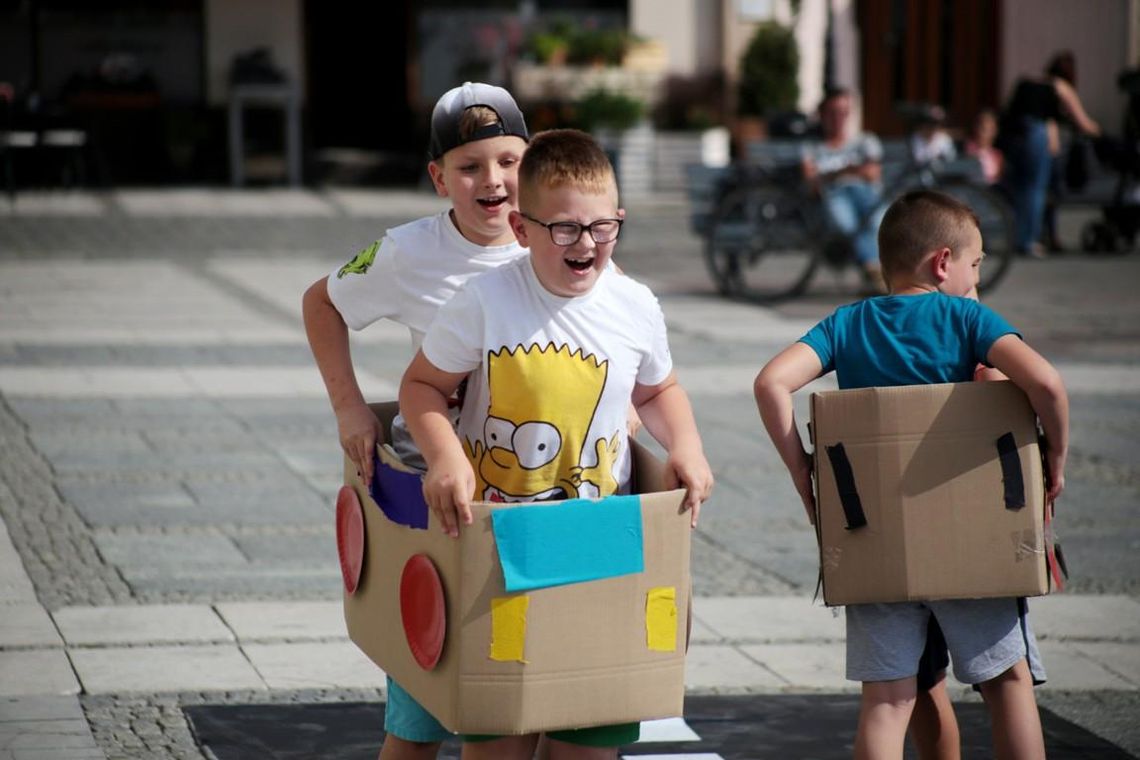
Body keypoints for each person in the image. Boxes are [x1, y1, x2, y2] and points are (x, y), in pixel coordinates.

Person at [399, 128, 714, 759]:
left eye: (603, 228)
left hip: (600, 549)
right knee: (500, 740)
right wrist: (445, 458)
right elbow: (422, 388)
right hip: (499, 554)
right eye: (565, 229)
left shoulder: (634, 304)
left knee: (588, 739)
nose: (587, 245)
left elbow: (658, 388)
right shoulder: (485, 300)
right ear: (521, 228)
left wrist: (687, 445)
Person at [753, 189, 1067, 760]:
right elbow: (1046, 384)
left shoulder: (846, 324)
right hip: (974, 543)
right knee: (1007, 683)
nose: (975, 280)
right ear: (943, 262)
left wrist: (805, 473)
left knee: (888, 702)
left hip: (877, 544)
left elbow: (770, 382)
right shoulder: (967, 317)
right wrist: (1057, 465)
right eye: (974, 266)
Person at [302, 81, 530, 760]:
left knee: (519, 708)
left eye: (509, 160)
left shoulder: (558, 238)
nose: (492, 181)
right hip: (437, 505)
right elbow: (322, 303)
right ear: (439, 178)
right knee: (419, 711)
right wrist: (348, 405)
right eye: (469, 166)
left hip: (533, 496)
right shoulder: (407, 252)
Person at [999, 50, 1101, 257]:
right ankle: (1029, 240)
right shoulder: (1059, 86)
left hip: (1014, 136)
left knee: (1020, 188)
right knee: (1036, 189)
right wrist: (1101, 134)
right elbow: (1083, 122)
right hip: (1035, 137)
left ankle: (1017, 237)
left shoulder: (1028, 82)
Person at [801, 87, 887, 292]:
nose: (838, 118)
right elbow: (811, 181)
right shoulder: (812, 147)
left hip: (865, 192)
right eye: (832, 112)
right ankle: (873, 271)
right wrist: (850, 170)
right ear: (822, 115)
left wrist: (834, 173)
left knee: (876, 219)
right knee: (848, 225)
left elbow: (873, 174)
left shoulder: (864, 140)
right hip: (835, 195)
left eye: (843, 112)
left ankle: (871, 272)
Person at [965, 108, 1004, 186]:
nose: (982, 132)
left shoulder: (997, 156)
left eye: (988, 129)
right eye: (981, 127)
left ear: (995, 131)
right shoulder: (965, 149)